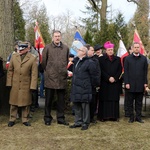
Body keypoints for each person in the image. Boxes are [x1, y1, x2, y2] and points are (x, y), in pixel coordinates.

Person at [6, 42, 38, 127]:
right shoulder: (14, 56)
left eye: (22, 49)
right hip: (15, 83)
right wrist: (9, 83)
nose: (20, 51)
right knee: (13, 102)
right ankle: (12, 119)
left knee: (26, 103)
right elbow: (10, 71)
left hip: (26, 84)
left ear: (27, 49)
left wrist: (33, 86)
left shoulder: (32, 58)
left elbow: (34, 74)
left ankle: (25, 119)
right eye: (19, 49)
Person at [41, 30, 69, 126]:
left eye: (59, 36)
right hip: (50, 78)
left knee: (61, 101)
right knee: (48, 100)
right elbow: (43, 62)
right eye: (55, 36)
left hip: (61, 78)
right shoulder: (47, 48)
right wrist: (49, 71)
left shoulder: (65, 48)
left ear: (61, 37)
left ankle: (60, 118)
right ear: (52, 37)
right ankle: (47, 118)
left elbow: (66, 61)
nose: (57, 38)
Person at [69, 46, 100, 130]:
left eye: (80, 50)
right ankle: (78, 121)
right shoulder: (76, 61)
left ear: (84, 52)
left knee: (85, 106)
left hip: (85, 87)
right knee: (77, 105)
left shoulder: (89, 62)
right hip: (76, 86)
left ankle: (85, 122)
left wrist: (94, 85)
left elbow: (94, 75)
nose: (78, 51)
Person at [97, 41, 122, 121]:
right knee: (104, 99)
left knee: (114, 99)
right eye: (109, 50)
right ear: (106, 50)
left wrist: (114, 78)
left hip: (115, 83)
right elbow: (100, 70)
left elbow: (120, 70)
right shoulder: (101, 59)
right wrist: (108, 78)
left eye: (111, 49)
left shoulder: (118, 59)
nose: (110, 51)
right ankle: (104, 116)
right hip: (105, 82)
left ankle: (114, 116)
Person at [124, 42, 148, 123]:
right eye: (135, 47)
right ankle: (131, 117)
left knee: (139, 102)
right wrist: (126, 82)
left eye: (138, 47)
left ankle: (138, 117)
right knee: (130, 102)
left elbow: (145, 72)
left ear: (140, 48)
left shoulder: (144, 59)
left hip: (140, 84)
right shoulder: (128, 58)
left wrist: (145, 83)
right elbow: (126, 72)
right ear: (132, 48)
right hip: (130, 84)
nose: (137, 48)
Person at [85, 44, 101, 123]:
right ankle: (85, 117)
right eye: (91, 50)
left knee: (93, 102)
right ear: (87, 51)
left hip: (93, 85)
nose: (93, 51)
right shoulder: (83, 60)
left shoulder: (95, 60)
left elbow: (98, 72)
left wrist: (97, 84)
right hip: (85, 84)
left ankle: (91, 117)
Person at [123, 46, 133, 117]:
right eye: (131, 49)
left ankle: (133, 111)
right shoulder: (126, 58)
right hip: (128, 80)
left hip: (136, 81)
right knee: (128, 97)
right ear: (129, 50)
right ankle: (127, 111)